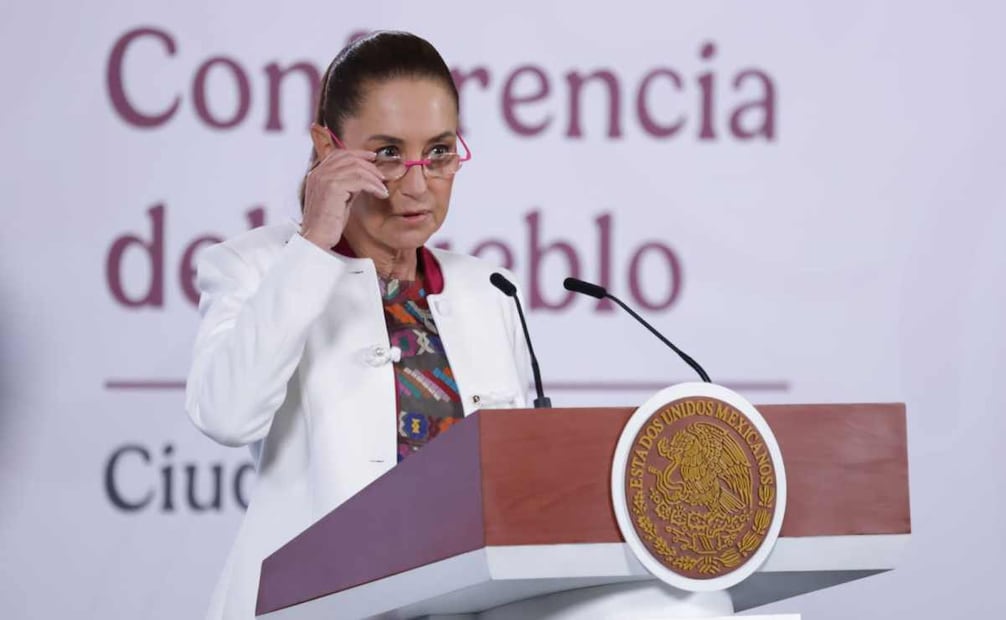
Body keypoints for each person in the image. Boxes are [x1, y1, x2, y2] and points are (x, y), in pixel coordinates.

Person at [184, 31, 533, 620]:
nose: (416, 184)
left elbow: (522, 485)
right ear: (328, 148)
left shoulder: (489, 291)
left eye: (439, 152)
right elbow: (226, 415)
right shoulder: (256, 266)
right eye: (387, 153)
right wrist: (314, 242)